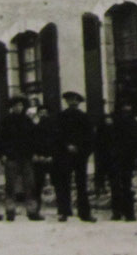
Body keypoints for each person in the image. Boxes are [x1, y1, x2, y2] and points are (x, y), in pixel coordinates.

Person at [0, 95, 43, 221]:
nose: (18, 108)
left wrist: (34, 153)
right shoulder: (5, 121)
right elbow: (1, 140)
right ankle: (10, 210)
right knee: (10, 185)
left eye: (20, 105)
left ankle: (32, 211)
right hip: (11, 157)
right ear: (12, 107)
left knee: (30, 184)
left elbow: (34, 139)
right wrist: (2, 154)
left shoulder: (27, 121)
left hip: (26, 157)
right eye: (16, 106)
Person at [55, 91, 96, 222]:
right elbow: (57, 135)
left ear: (79, 102)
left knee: (81, 184)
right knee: (63, 183)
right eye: (70, 100)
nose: (73, 102)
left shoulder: (84, 117)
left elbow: (90, 137)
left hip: (80, 156)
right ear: (66, 102)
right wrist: (66, 146)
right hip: (64, 155)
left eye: (75, 100)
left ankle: (84, 213)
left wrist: (82, 150)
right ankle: (64, 212)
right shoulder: (61, 117)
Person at [107, 101, 137, 221]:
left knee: (127, 185)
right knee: (115, 186)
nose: (127, 107)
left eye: (129, 105)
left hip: (128, 158)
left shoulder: (134, 123)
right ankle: (116, 212)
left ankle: (129, 213)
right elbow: (106, 140)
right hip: (115, 158)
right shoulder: (112, 122)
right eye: (124, 105)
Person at [30, 104, 59, 213]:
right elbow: (32, 143)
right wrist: (37, 155)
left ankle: (62, 210)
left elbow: (57, 143)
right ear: (38, 114)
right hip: (39, 160)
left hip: (52, 159)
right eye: (40, 112)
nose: (43, 114)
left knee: (57, 183)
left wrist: (52, 156)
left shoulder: (54, 128)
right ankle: (36, 209)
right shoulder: (35, 128)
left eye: (45, 112)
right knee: (37, 184)